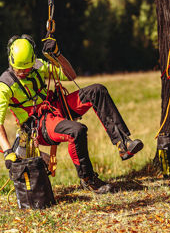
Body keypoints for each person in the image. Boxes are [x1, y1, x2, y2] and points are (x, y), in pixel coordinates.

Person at [0, 34, 143, 193]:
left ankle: (123, 144)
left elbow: (70, 75)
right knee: (77, 131)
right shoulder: (5, 84)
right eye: (19, 69)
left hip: (57, 108)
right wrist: (7, 152)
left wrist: (57, 54)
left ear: (33, 60)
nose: (23, 72)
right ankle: (88, 179)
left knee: (97, 91)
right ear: (11, 61)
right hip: (39, 126)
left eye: (26, 68)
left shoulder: (38, 66)